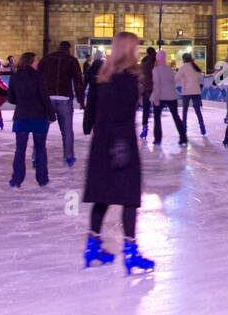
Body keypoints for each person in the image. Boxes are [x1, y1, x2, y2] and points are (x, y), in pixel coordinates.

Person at [81, 31, 153, 274]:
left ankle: (92, 247)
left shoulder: (103, 75)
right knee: (129, 198)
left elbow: (93, 110)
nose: (138, 51)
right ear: (128, 49)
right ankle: (131, 253)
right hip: (121, 143)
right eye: (136, 47)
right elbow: (121, 115)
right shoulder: (127, 78)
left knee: (102, 196)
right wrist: (121, 145)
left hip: (101, 143)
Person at [7, 51, 53, 188]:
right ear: (30, 62)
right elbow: (45, 96)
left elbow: (10, 98)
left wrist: (21, 101)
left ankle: (17, 179)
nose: (37, 63)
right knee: (40, 148)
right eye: (35, 61)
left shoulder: (15, 77)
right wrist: (51, 114)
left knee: (20, 149)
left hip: (21, 117)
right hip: (39, 117)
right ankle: (42, 179)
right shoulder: (39, 76)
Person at [41, 41, 85, 167]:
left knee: (42, 129)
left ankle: (36, 156)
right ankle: (69, 156)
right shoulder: (71, 60)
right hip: (64, 98)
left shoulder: (47, 58)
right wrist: (81, 100)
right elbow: (78, 81)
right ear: (68, 49)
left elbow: (38, 76)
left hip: (48, 97)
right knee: (66, 130)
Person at [151, 50, 188, 146]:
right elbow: (173, 81)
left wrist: (156, 98)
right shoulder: (169, 69)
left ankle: (158, 139)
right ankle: (183, 137)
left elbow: (156, 85)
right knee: (176, 117)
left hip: (160, 96)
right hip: (172, 96)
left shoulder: (156, 70)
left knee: (157, 118)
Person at [175, 53, 207, 137]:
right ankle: (202, 126)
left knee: (185, 111)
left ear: (184, 59)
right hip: (196, 92)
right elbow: (201, 79)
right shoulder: (196, 67)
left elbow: (176, 79)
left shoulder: (183, 68)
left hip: (186, 92)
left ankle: (184, 128)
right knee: (197, 110)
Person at [138, 47, 157, 140]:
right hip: (155, 88)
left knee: (145, 110)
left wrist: (143, 83)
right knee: (157, 110)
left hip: (146, 88)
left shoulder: (143, 61)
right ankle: (157, 131)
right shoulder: (155, 61)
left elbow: (139, 75)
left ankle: (145, 128)